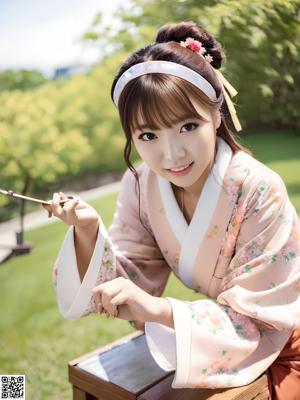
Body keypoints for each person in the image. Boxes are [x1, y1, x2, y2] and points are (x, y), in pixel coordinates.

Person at [45, 21, 300, 400]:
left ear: (216, 116)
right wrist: (86, 231)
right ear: (131, 137)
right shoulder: (140, 184)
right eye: (148, 135)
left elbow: (262, 320)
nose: (171, 155)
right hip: (218, 338)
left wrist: (162, 311)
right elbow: (132, 280)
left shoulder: (259, 189)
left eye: (188, 125)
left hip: (283, 343)